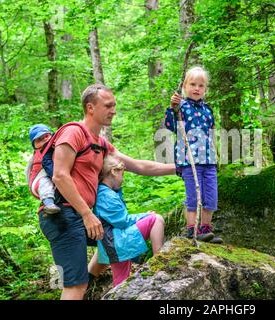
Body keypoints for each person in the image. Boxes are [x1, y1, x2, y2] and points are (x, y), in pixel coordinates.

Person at [39, 84, 175, 300]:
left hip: (80, 216)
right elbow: (60, 176)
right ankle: (84, 283)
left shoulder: (101, 144)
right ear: (90, 108)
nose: (113, 110)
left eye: (114, 105)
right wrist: (87, 214)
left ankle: (92, 280)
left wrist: (178, 169)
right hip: (63, 215)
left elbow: (139, 166)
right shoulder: (73, 132)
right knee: (75, 285)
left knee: (113, 237)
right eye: (108, 105)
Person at [165, 66, 223, 244]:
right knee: (193, 195)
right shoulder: (181, 107)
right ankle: (192, 229)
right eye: (192, 84)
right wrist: (172, 107)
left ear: (206, 89)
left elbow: (211, 133)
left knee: (211, 196)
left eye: (201, 85)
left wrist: (216, 154)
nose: (197, 88)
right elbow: (170, 125)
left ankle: (206, 228)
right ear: (185, 86)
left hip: (208, 160)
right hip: (189, 160)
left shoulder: (208, 110)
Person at [94, 155, 165, 288]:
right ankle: (159, 261)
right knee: (156, 219)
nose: (123, 179)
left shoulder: (105, 192)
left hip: (112, 245)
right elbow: (123, 221)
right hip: (117, 242)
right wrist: (146, 215)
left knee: (120, 282)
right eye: (122, 174)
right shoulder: (106, 195)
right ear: (114, 172)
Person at [26, 124, 61, 215]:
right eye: (39, 139)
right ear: (35, 145)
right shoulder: (40, 152)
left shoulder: (54, 147)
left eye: (46, 136)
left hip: (50, 176)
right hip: (39, 180)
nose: (44, 140)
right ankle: (48, 203)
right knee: (45, 183)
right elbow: (46, 165)